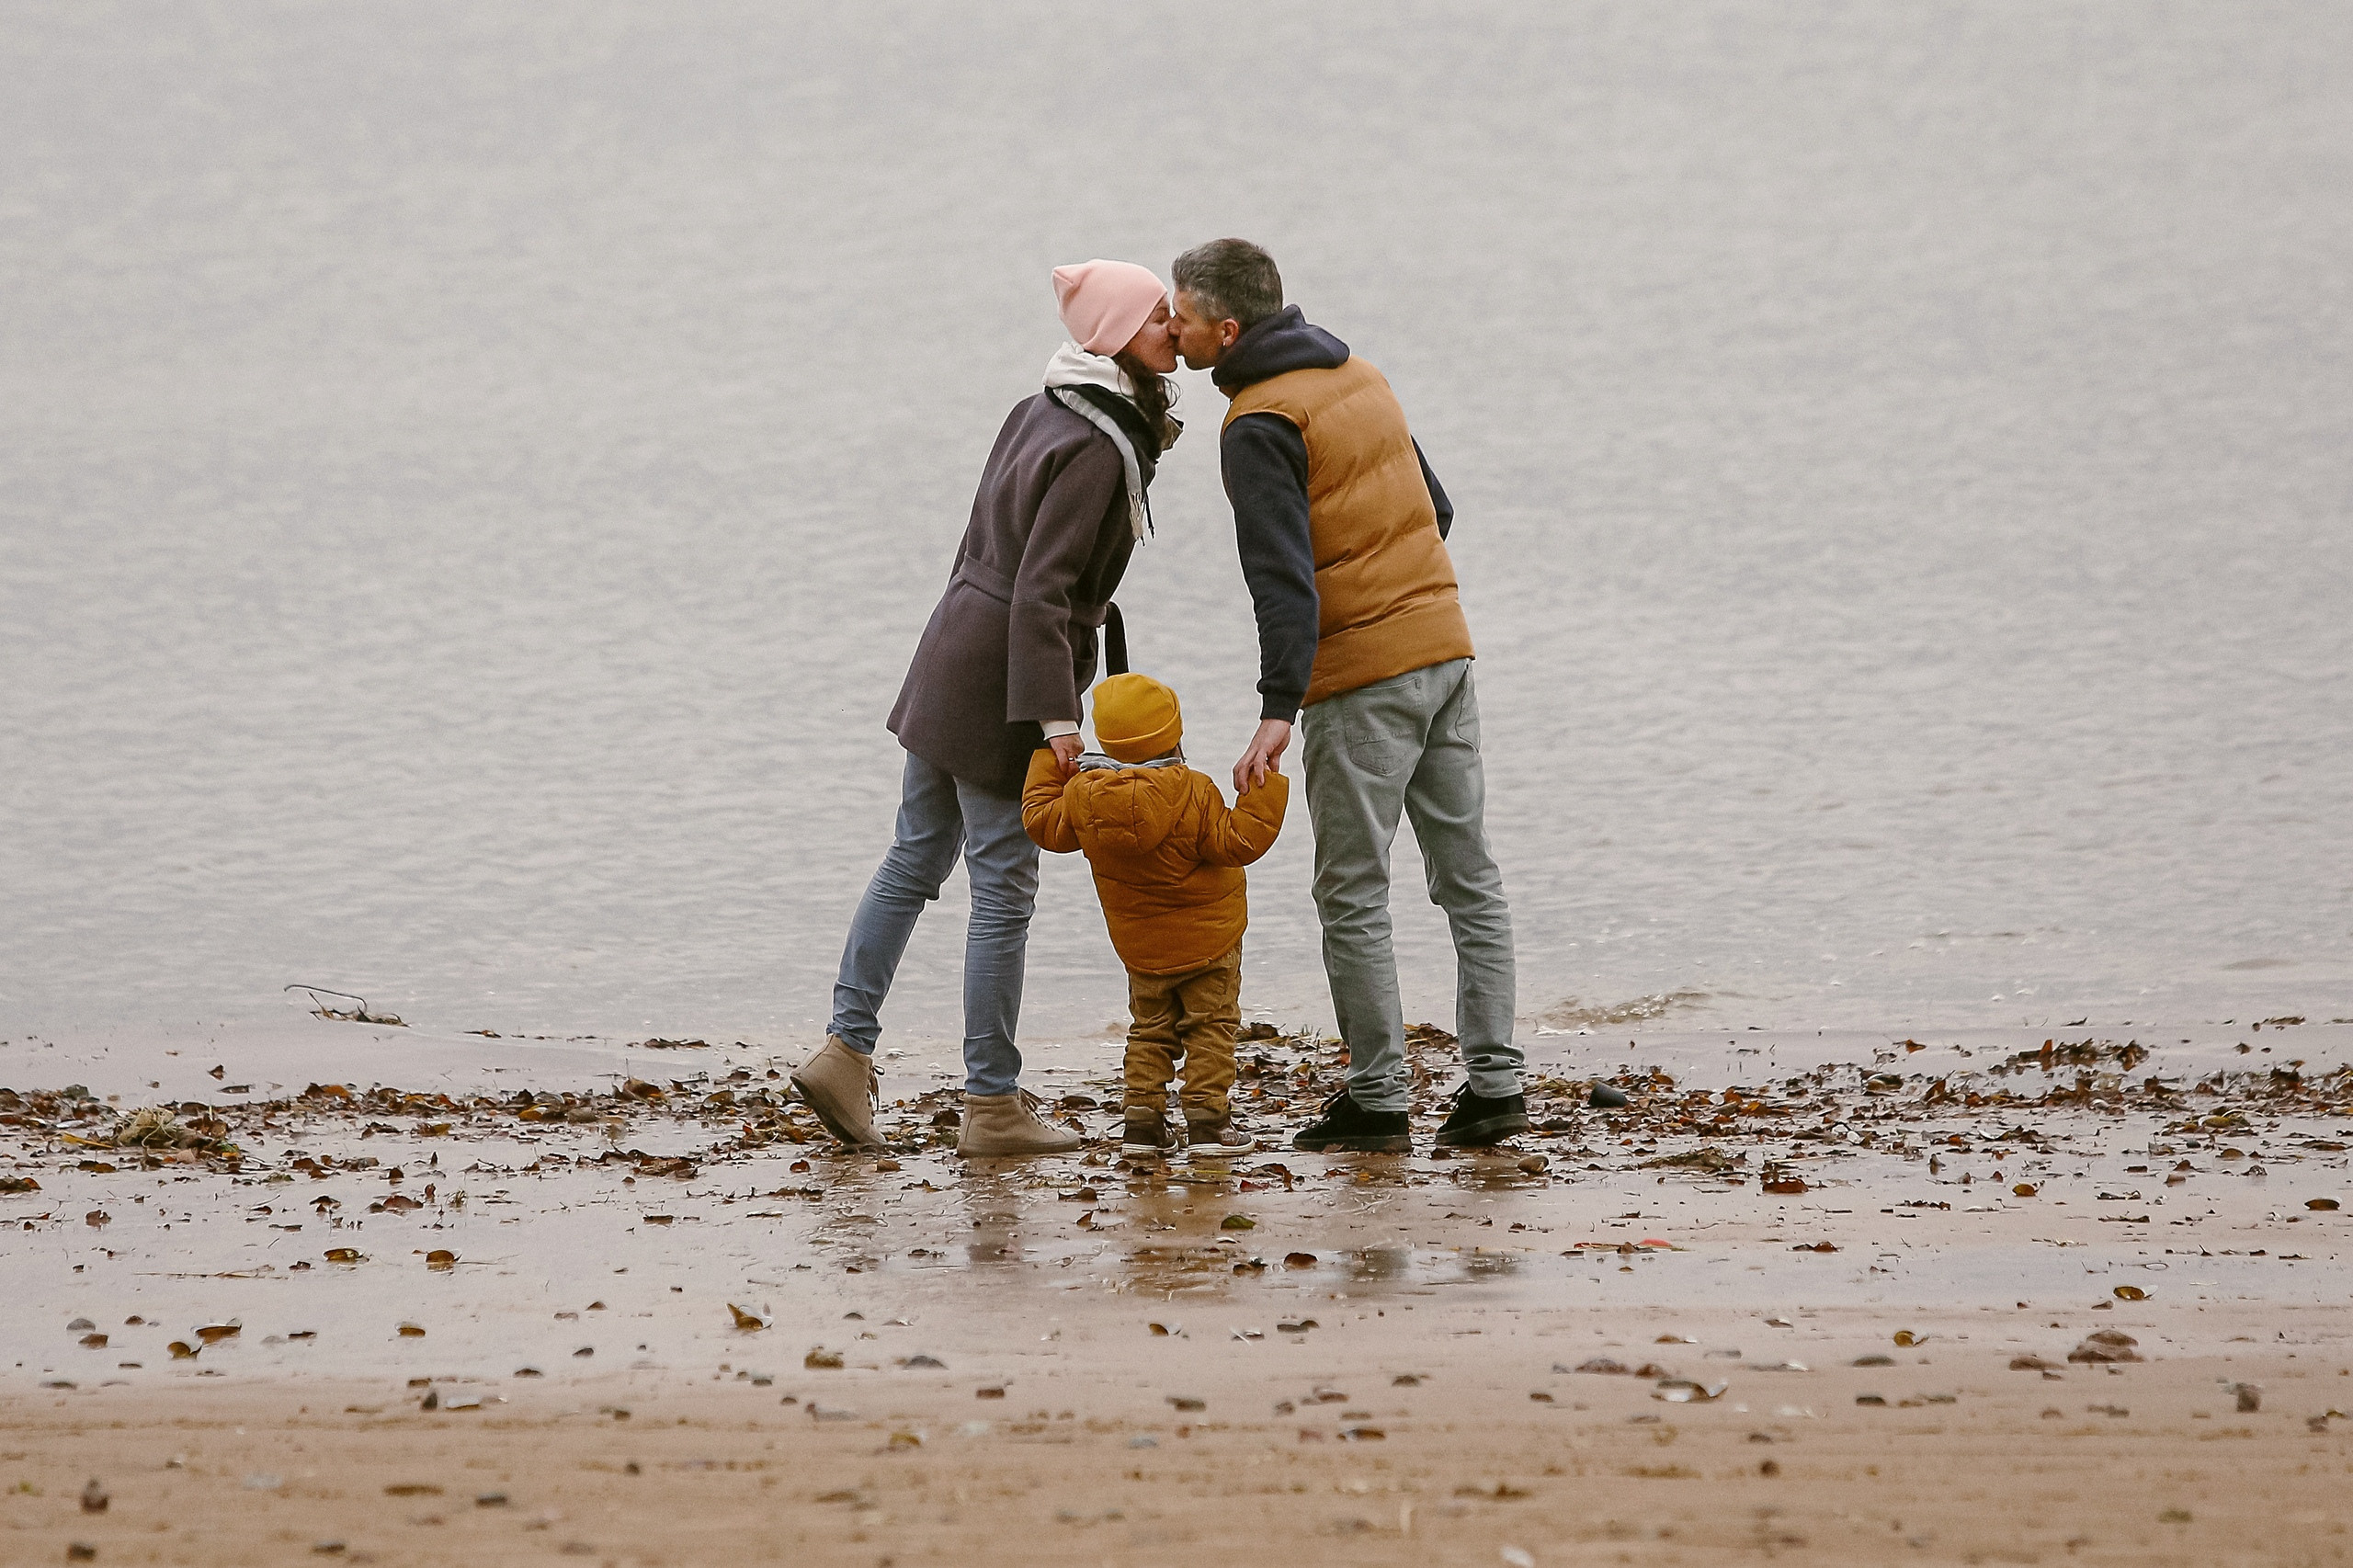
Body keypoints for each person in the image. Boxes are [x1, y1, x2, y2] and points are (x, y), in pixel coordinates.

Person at [790, 260, 1181, 1157]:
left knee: (917, 852)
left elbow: (1012, 563)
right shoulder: (1095, 441)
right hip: (1007, 676)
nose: (1172, 327)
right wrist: (1058, 722)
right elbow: (1044, 590)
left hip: (952, 649)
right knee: (1003, 884)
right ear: (1118, 332)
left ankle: (846, 1050)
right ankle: (992, 1102)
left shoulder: (1044, 403)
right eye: (1158, 314)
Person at [1168, 236, 1523, 1154]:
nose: (1172, 327)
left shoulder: (1256, 423)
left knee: (1351, 890)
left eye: (1183, 315)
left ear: (1228, 328)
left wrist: (1277, 706)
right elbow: (1434, 508)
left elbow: (1279, 577)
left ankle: (1377, 1100)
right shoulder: (1360, 373)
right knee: (1469, 878)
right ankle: (1495, 1088)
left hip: (1363, 679)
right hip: (1446, 651)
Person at [1019, 672, 1288, 1157]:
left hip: (1141, 949)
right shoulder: (1195, 792)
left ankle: (1142, 1121)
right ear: (1173, 736)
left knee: (1149, 1029)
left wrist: (1048, 759)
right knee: (1210, 1026)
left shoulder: (1083, 799)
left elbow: (1040, 821)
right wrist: (1264, 784)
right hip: (1211, 942)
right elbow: (1241, 841)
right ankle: (1208, 1121)